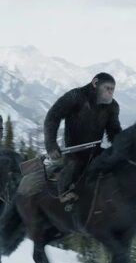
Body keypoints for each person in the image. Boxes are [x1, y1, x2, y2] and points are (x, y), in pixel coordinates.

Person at [43, 72, 122, 204]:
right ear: (95, 83)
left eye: (112, 89)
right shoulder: (75, 96)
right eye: (107, 88)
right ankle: (64, 195)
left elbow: (114, 131)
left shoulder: (112, 106)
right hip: (73, 151)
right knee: (74, 165)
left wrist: (124, 148)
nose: (110, 93)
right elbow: (52, 117)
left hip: (95, 151)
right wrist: (51, 144)